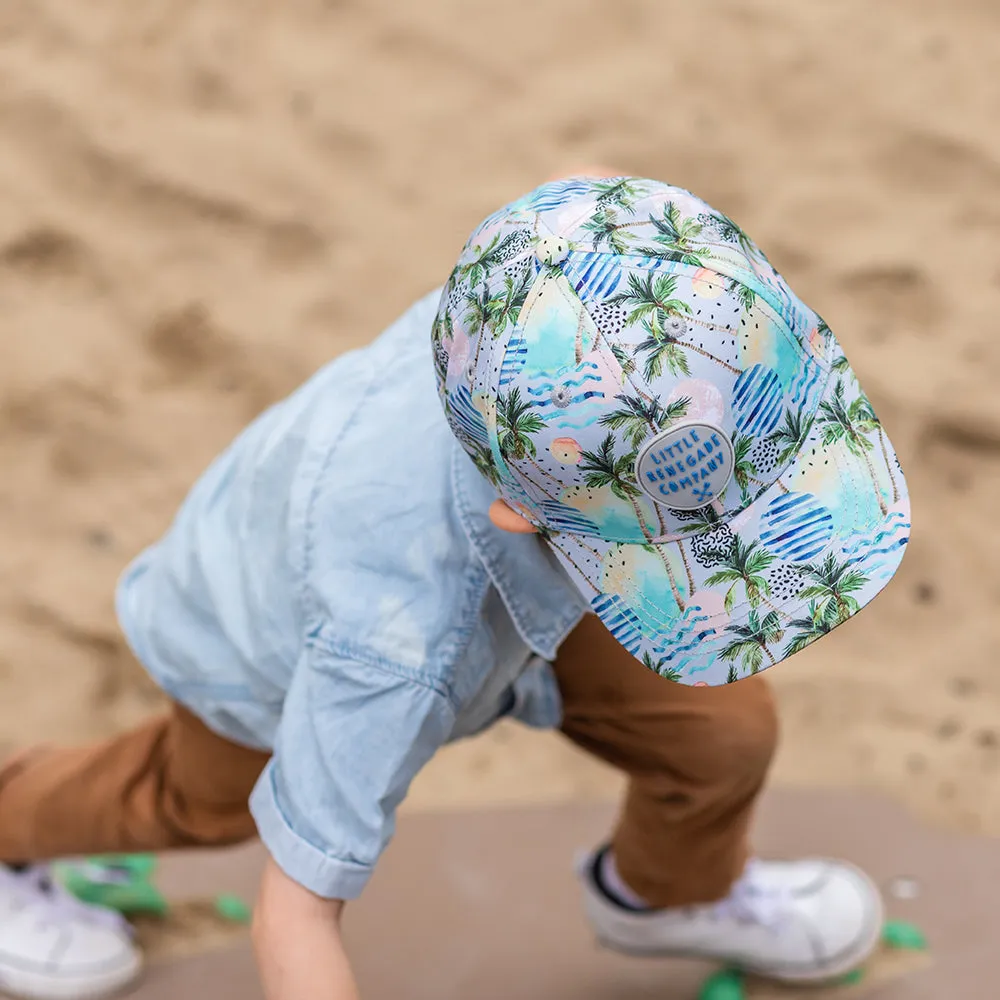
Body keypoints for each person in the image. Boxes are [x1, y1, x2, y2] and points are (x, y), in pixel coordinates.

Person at [0, 170, 910, 1000]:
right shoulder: (388, 648)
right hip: (262, 642)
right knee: (192, 802)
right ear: (524, 511)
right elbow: (297, 910)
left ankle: (670, 892)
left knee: (722, 733)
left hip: (541, 567)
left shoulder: (555, 290)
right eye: (686, 542)